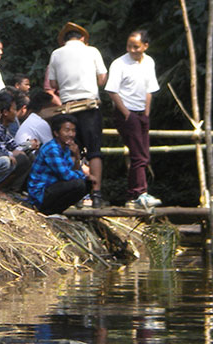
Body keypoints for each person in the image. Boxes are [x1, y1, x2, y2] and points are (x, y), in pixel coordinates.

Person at [46, 22, 107, 206]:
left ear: (65, 39)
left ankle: (77, 192)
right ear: (82, 38)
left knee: (72, 149)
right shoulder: (92, 51)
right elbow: (102, 78)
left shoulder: (56, 54)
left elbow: (54, 83)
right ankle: (96, 194)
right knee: (94, 151)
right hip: (89, 106)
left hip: (68, 108)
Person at [105, 30, 161, 209]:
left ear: (145, 46)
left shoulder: (149, 62)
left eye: (136, 46)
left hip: (141, 113)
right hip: (126, 112)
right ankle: (139, 193)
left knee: (143, 153)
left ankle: (133, 195)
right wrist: (126, 113)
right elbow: (111, 90)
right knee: (138, 154)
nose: (132, 50)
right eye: (129, 46)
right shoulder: (119, 64)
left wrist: (147, 112)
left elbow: (150, 88)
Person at [27, 114, 92, 215]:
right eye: (67, 130)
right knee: (79, 183)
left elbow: (73, 170)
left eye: (73, 130)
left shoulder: (66, 148)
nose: (71, 134)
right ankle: (46, 210)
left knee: (87, 184)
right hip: (41, 194)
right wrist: (83, 176)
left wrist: (77, 156)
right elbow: (66, 175)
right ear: (56, 133)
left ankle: (55, 211)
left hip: (54, 187)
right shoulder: (52, 149)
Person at [0, 96, 32, 192]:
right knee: (6, 161)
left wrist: (28, 146)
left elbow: (12, 145)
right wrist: (8, 154)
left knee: (25, 156)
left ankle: (10, 189)